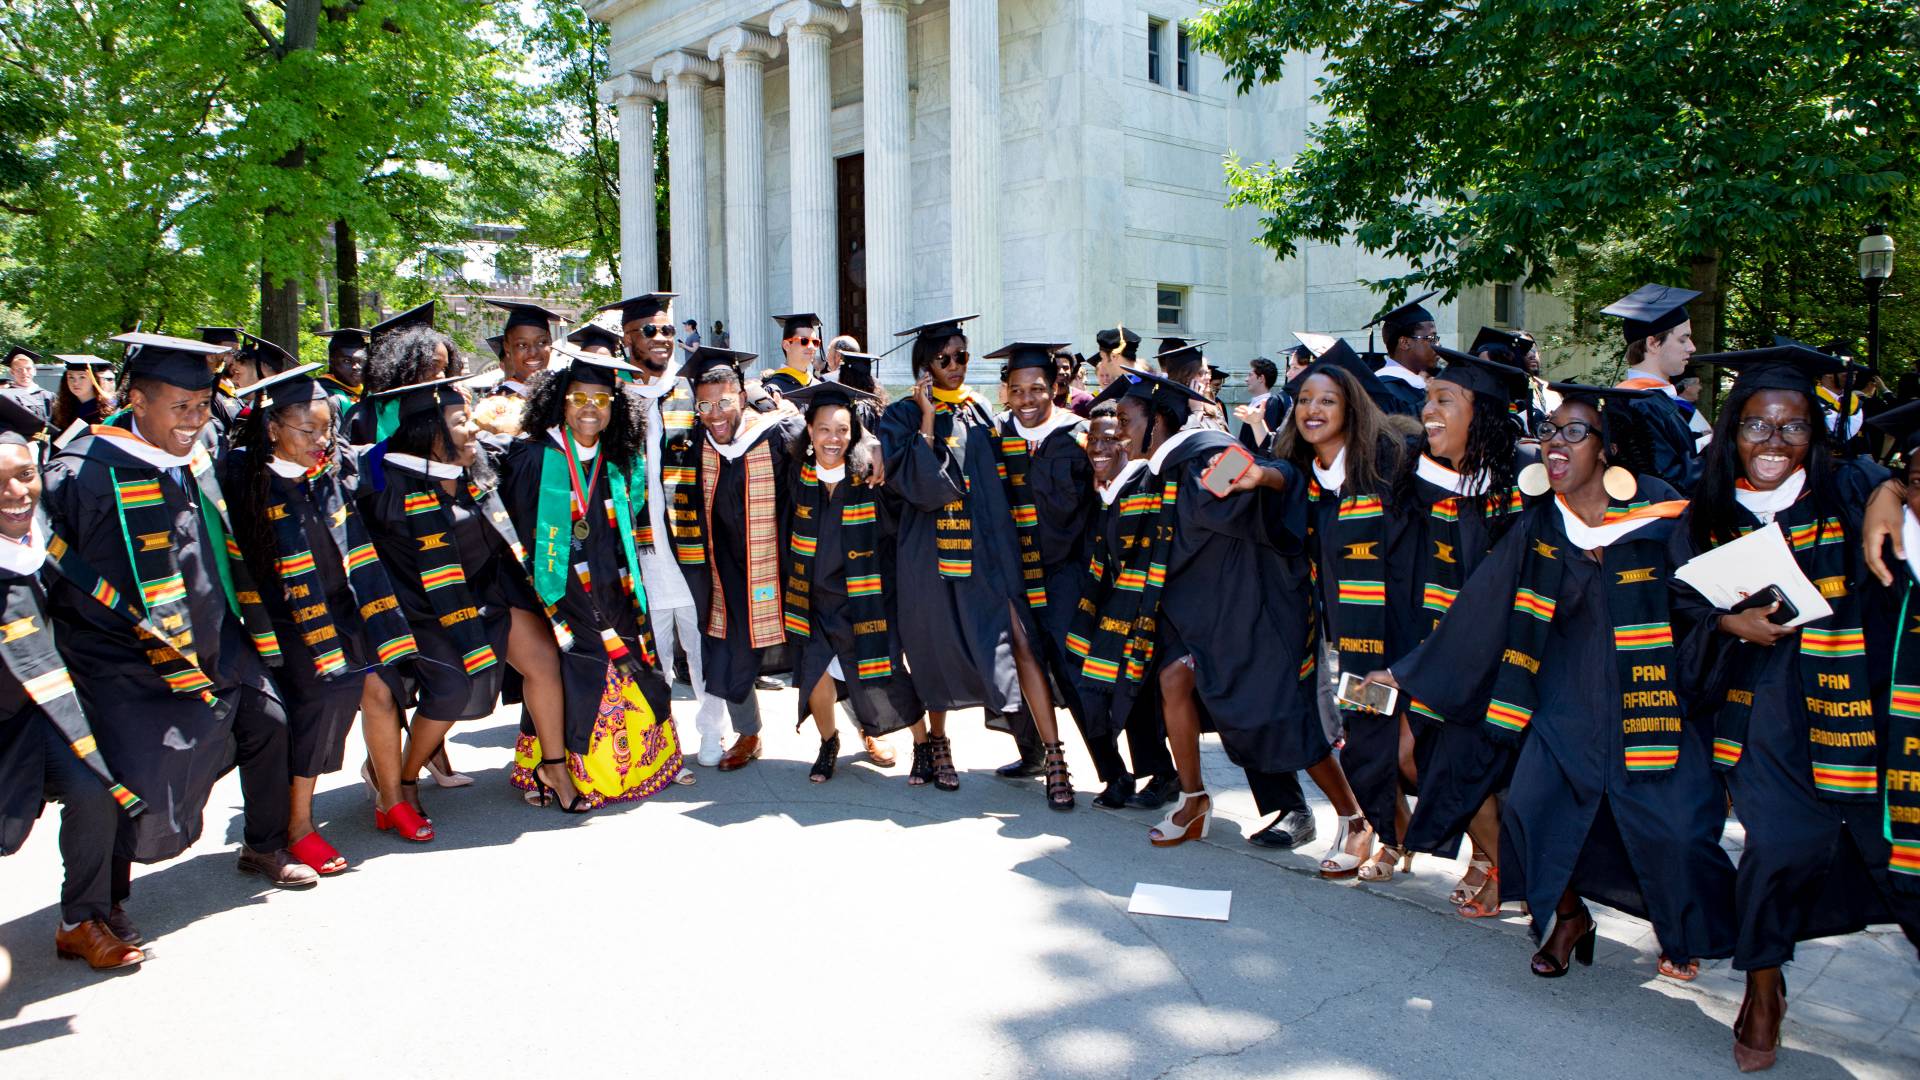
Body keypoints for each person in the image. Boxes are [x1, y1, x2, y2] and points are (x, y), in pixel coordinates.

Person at [1379, 384, 1737, 981]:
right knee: (1530, 810)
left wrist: (1733, 621)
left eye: (1574, 432)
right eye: (1549, 432)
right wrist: (1409, 671)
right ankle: (1567, 917)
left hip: (1649, 702)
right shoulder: (1542, 522)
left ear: (1608, 448)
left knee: (1673, 829)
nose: (1555, 443)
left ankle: (1679, 931)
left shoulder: (1662, 510)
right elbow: (1484, 605)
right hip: (1563, 702)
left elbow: (1704, 598)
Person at [1672, 343, 1920, 1071]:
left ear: (1815, 431)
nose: (1773, 442)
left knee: (1899, 862)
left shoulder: (1847, 492)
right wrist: (1726, 624)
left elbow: (1895, 484)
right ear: (1731, 432)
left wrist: (1888, 492)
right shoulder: (1708, 511)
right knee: (1776, 850)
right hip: (1763, 714)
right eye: (1755, 425)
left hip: (1857, 715)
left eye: (1791, 426)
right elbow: (1678, 606)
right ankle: (1763, 982)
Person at [42, 332, 314, 908]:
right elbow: (53, 575)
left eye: (201, 405)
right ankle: (99, 905)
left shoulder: (189, 455)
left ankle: (263, 844)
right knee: (128, 777)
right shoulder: (83, 472)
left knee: (268, 720)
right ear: (137, 402)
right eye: (181, 407)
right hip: (126, 653)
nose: (195, 419)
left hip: (213, 633)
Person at [1072, 367, 1370, 871]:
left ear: (1159, 419)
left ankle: (1355, 819)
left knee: (1279, 719)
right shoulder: (1161, 470)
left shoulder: (1207, 456)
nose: (1118, 430)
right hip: (1202, 617)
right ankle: (1193, 800)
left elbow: (1278, 478)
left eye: (1126, 418)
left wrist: (1266, 475)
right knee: (1172, 680)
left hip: (1253, 612)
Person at [226, 365, 424, 869]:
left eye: (327, 429)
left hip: (346, 605)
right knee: (317, 708)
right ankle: (298, 825)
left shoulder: (331, 467)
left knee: (382, 692)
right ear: (273, 429)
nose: (321, 440)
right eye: (308, 431)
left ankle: (391, 799)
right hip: (290, 618)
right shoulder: (246, 479)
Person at [876, 316, 1075, 803]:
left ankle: (1054, 757)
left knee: (1019, 642)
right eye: (943, 359)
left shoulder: (981, 409)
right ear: (924, 365)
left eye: (962, 356)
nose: (955, 366)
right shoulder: (901, 416)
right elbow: (918, 488)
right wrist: (926, 416)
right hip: (931, 551)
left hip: (989, 547)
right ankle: (939, 746)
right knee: (933, 646)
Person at [496, 346, 685, 807]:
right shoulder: (535, 458)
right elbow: (518, 534)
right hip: (559, 590)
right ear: (561, 401)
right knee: (583, 665)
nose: (589, 408)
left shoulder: (617, 459)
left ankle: (641, 762)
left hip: (616, 584)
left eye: (601, 400)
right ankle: (565, 770)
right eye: (579, 397)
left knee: (633, 660)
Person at [0, 400, 147, 970]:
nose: (16, 493)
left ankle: (80, 920)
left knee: (96, 791)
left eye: (24, 475)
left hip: (39, 713)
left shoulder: (42, 542)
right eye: (0, 483)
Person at [1391, 348, 1532, 915]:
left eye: (1443, 400)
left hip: (1510, 664)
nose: (1428, 410)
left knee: (1453, 762)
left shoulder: (1527, 490)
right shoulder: (1452, 486)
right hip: (1454, 656)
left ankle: (1524, 879)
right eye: (1426, 398)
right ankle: (1499, 862)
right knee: (1414, 756)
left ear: (1485, 416)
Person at [1273, 342, 1420, 871]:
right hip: (1357, 642)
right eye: (1305, 399)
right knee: (1368, 743)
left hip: (1407, 632)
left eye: (1327, 401)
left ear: (1351, 408)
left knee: (1415, 751)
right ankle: (1392, 837)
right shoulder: (1307, 478)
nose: (1313, 410)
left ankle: (1485, 857)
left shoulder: (1391, 467)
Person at [603, 292, 741, 767]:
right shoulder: (617, 399)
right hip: (639, 548)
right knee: (651, 647)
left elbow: (738, 422)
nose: (662, 339)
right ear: (627, 338)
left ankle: (710, 732)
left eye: (667, 330)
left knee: (703, 642)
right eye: (650, 331)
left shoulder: (688, 391)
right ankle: (659, 734)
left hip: (692, 544)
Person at [778, 381, 924, 780]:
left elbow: (895, 531)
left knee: (888, 672)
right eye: (823, 429)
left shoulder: (871, 477)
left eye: (842, 429)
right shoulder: (796, 473)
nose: (833, 438)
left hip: (866, 597)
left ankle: (923, 744)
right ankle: (829, 742)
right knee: (816, 676)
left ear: (854, 432)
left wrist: (877, 444)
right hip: (813, 596)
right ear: (809, 431)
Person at [680, 346, 805, 771]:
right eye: (705, 405)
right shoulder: (700, 439)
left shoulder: (778, 430)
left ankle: (861, 726)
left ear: (740, 396)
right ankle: (749, 734)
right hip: (726, 565)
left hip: (781, 560)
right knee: (729, 650)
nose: (715, 414)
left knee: (823, 644)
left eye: (723, 402)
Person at [986, 342, 1096, 808]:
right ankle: (1044, 757)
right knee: (1018, 659)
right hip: (1012, 571)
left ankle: (1114, 770)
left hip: (1068, 572)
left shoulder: (1081, 435)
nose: (1027, 399)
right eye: (1016, 390)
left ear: (1056, 387)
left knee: (1079, 672)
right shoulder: (993, 436)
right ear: (1005, 392)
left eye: (1036, 389)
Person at [1078, 401, 1177, 805]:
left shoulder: (1147, 485)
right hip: (1104, 605)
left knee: (1134, 692)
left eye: (1112, 435)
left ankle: (1162, 775)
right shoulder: (1103, 490)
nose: (1100, 446)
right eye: (1093, 439)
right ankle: (1124, 776)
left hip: (1146, 608)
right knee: (1095, 688)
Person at [1606, 283, 1703, 493]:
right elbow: (1668, 482)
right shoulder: (1642, 405)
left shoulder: (1650, 400)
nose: (1692, 347)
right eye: (1683, 338)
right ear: (1653, 344)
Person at [1361, 291, 1440, 415]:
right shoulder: (1383, 390)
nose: (1438, 345)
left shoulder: (1424, 383)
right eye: (1431, 338)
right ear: (1405, 343)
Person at [483, 300, 561, 399]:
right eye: (522, 345)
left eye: (542, 342)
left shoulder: (563, 395)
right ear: (507, 348)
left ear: (550, 343)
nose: (533, 352)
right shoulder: (498, 401)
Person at [315, 328, 370, 422]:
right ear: (331, 361)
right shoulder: (323, 395)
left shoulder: (367, 393)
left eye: (361, 361)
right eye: (347, 361)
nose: (356, 366)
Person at [50, 355, 115, 432]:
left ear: (93, 380)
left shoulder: (108, 410)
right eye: (71, 377)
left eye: (82, 377)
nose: (75, 383)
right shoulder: (62, 410)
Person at [763, 313, 823, 396]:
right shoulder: (772, 389)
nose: (811, 346)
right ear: (786, 345)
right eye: (804, 341)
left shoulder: (820, 387)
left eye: (815, 342)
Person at [1235, 355, 1284, 452]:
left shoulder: (1271, 405)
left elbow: (1265, 444)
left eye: (1250, 375)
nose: (1246, 379)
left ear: (1261, 378)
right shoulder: (1254, 404)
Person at [4, 344, 53, 423]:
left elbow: (56, 424)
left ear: (34, 370)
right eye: (19, 369)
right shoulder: (5, 397)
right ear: (12, 372)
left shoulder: (48, 396)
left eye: (28, 368)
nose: (24, 373)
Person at [1093, 324, 1141, 389]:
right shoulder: (1143, 383)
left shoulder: (1130, 390)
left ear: (1114, 356)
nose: (1102, 364)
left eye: (1103, 358)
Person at [1054, 349, 1095, 418]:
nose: (1061, 371)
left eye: (1065, 368)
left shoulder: (1085, 400)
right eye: (1056, 368)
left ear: (1071, 370)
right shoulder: (1042, 399)